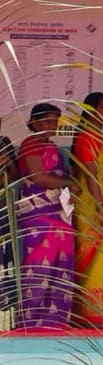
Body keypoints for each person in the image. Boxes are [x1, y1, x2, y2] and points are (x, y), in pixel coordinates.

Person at [16, 103, 79, 329]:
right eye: (47, 121)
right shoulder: (30, 144)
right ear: (34, 122)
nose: (51, 126)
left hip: (59, 213)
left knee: (62, 262)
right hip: (38, 213)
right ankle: (31, 320)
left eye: (55, 121)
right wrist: (69, 184)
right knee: (39, 264)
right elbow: (38, 177)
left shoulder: (52, 147)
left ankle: (55, 321)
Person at [72, 92, 103, 325]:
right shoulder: (87, 137)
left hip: (100, 202)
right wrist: (99, 207)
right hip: (90, 203)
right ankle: (87, 312)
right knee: (88, 256)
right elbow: (90, 175)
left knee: (99, 257)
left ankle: (92, 310)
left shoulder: (98, 136)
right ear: (92, 110)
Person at [0, 116, 17, 331]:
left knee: (5, 262)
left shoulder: (3, 143)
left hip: (2, 208)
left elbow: (15, 176)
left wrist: (8, 162)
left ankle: (4, 316)